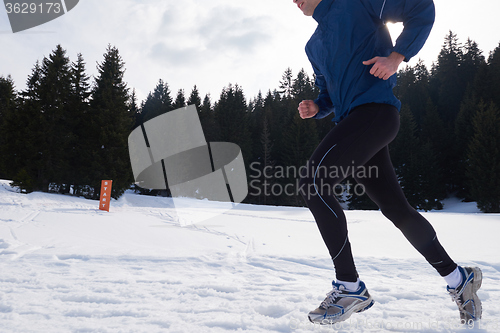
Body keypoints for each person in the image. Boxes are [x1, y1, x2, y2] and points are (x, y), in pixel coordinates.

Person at [292, 0, 482, 325]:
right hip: (353, 123)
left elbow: (421, 8)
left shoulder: (356, 4)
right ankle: (458, 279)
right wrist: (317, 106)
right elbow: (328, 93)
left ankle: (349, 286)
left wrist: (397, 56)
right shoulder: (313, 46)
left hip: (376, 114)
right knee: (397, 210)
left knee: (313, 183)